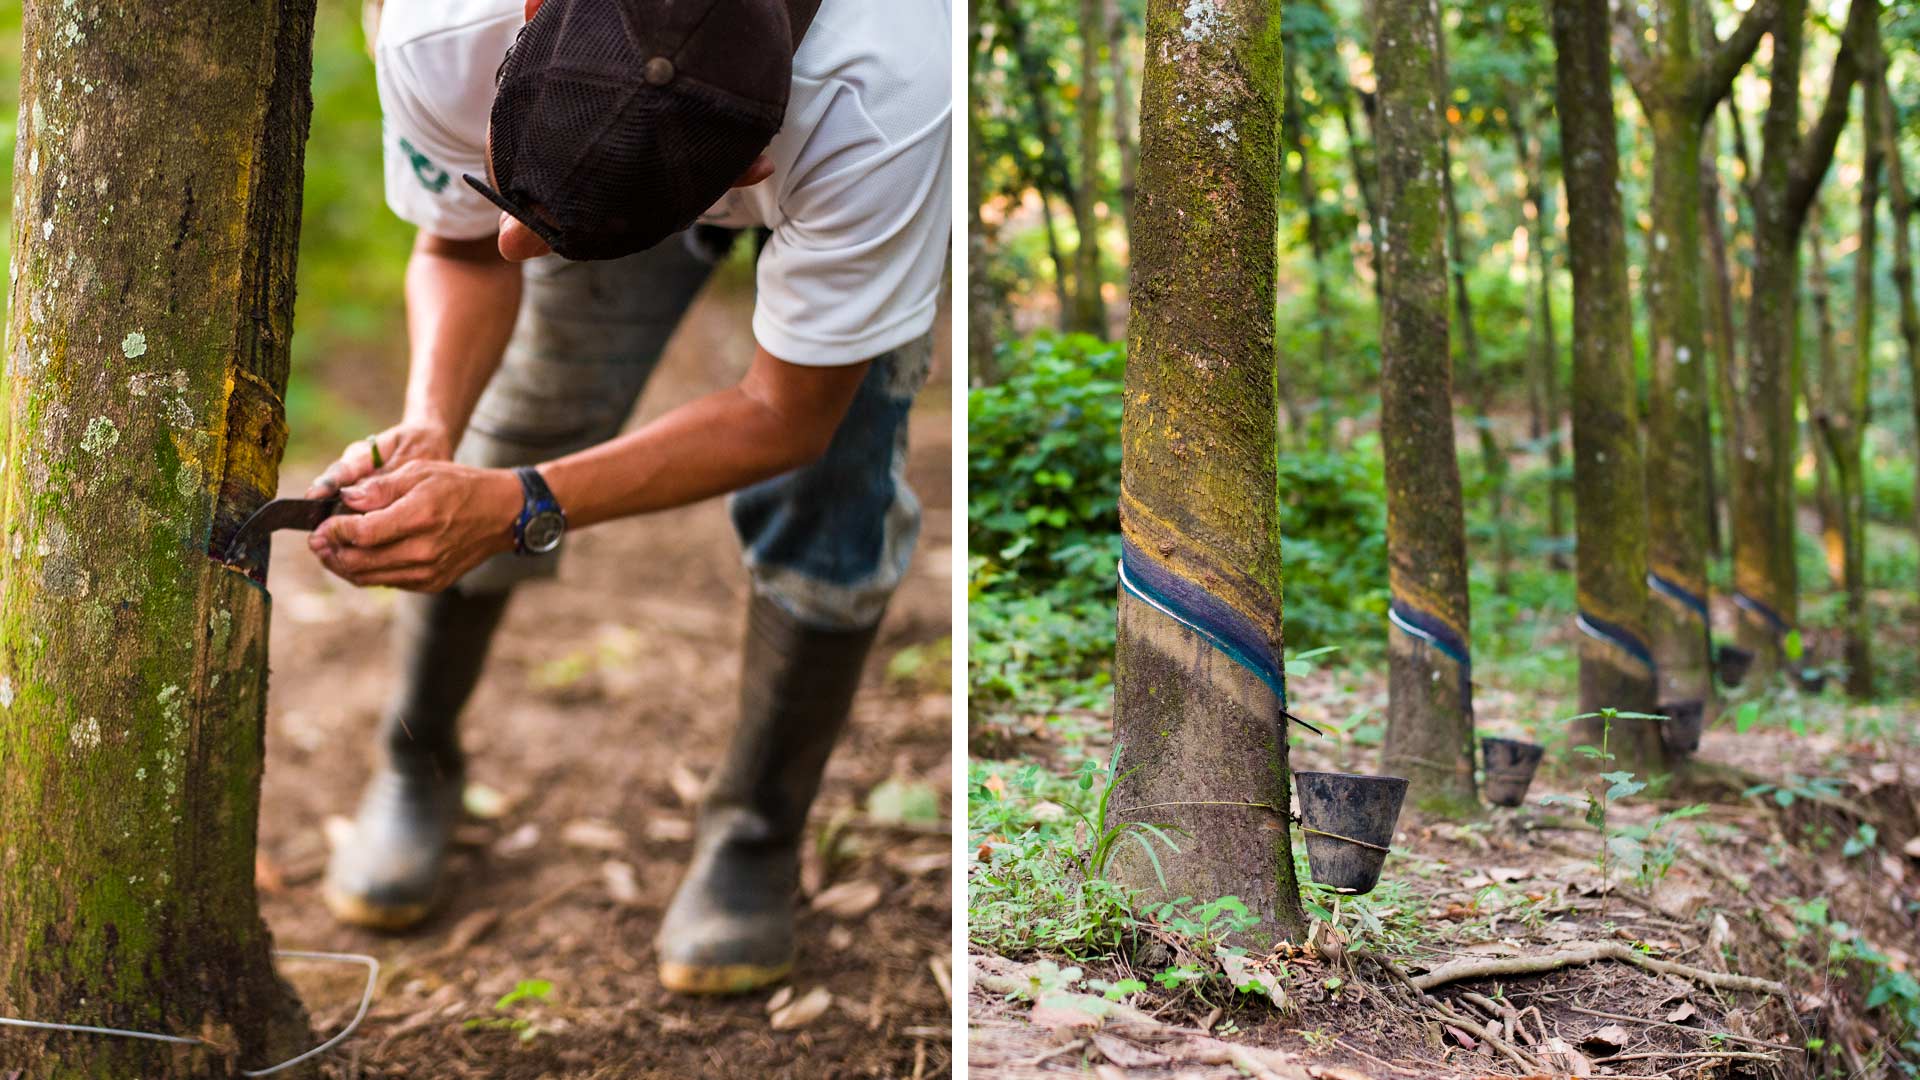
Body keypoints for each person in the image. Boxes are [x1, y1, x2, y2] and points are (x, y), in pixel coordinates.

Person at [311, 0, 950, 997]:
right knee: (518, 417)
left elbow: (787, 413)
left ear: (749, 170)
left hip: (829, 153)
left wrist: (519, 503)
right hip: (642, 126)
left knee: (835, 496)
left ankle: (754, 835)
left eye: (536, 224)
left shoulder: (889, 96)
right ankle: (416, 761)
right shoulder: (445, 31)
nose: (520, 243)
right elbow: (468, 248)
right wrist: (434, 427)